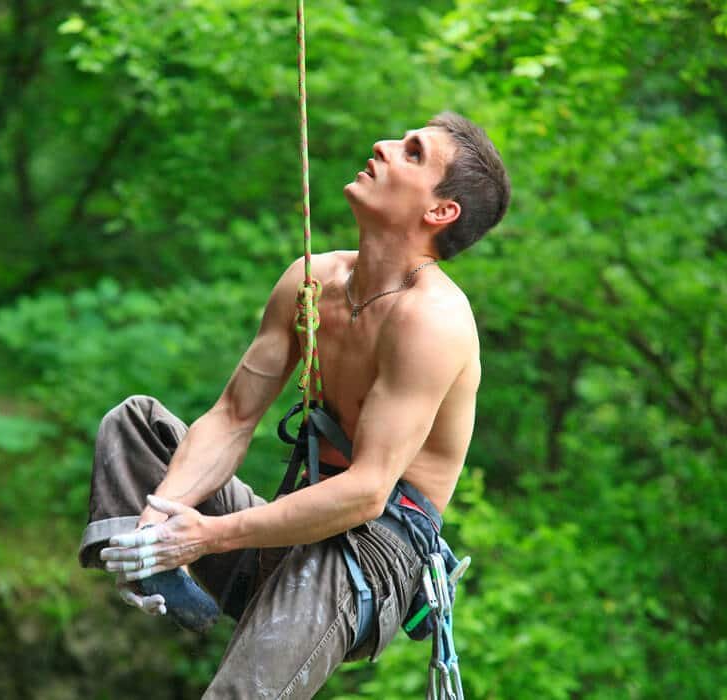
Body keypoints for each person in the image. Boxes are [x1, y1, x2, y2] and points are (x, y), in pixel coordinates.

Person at [78, 111, 510, 698]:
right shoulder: (312, 281)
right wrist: (163, 516)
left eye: (412, 153)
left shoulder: (430, 320)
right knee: (137, 426)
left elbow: (365, 492)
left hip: (371, 548)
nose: (382, 145)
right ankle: (153, 562)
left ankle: (188, 552)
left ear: (440, 211)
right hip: (296, 518)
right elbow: (233, 416)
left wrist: (209, 535)